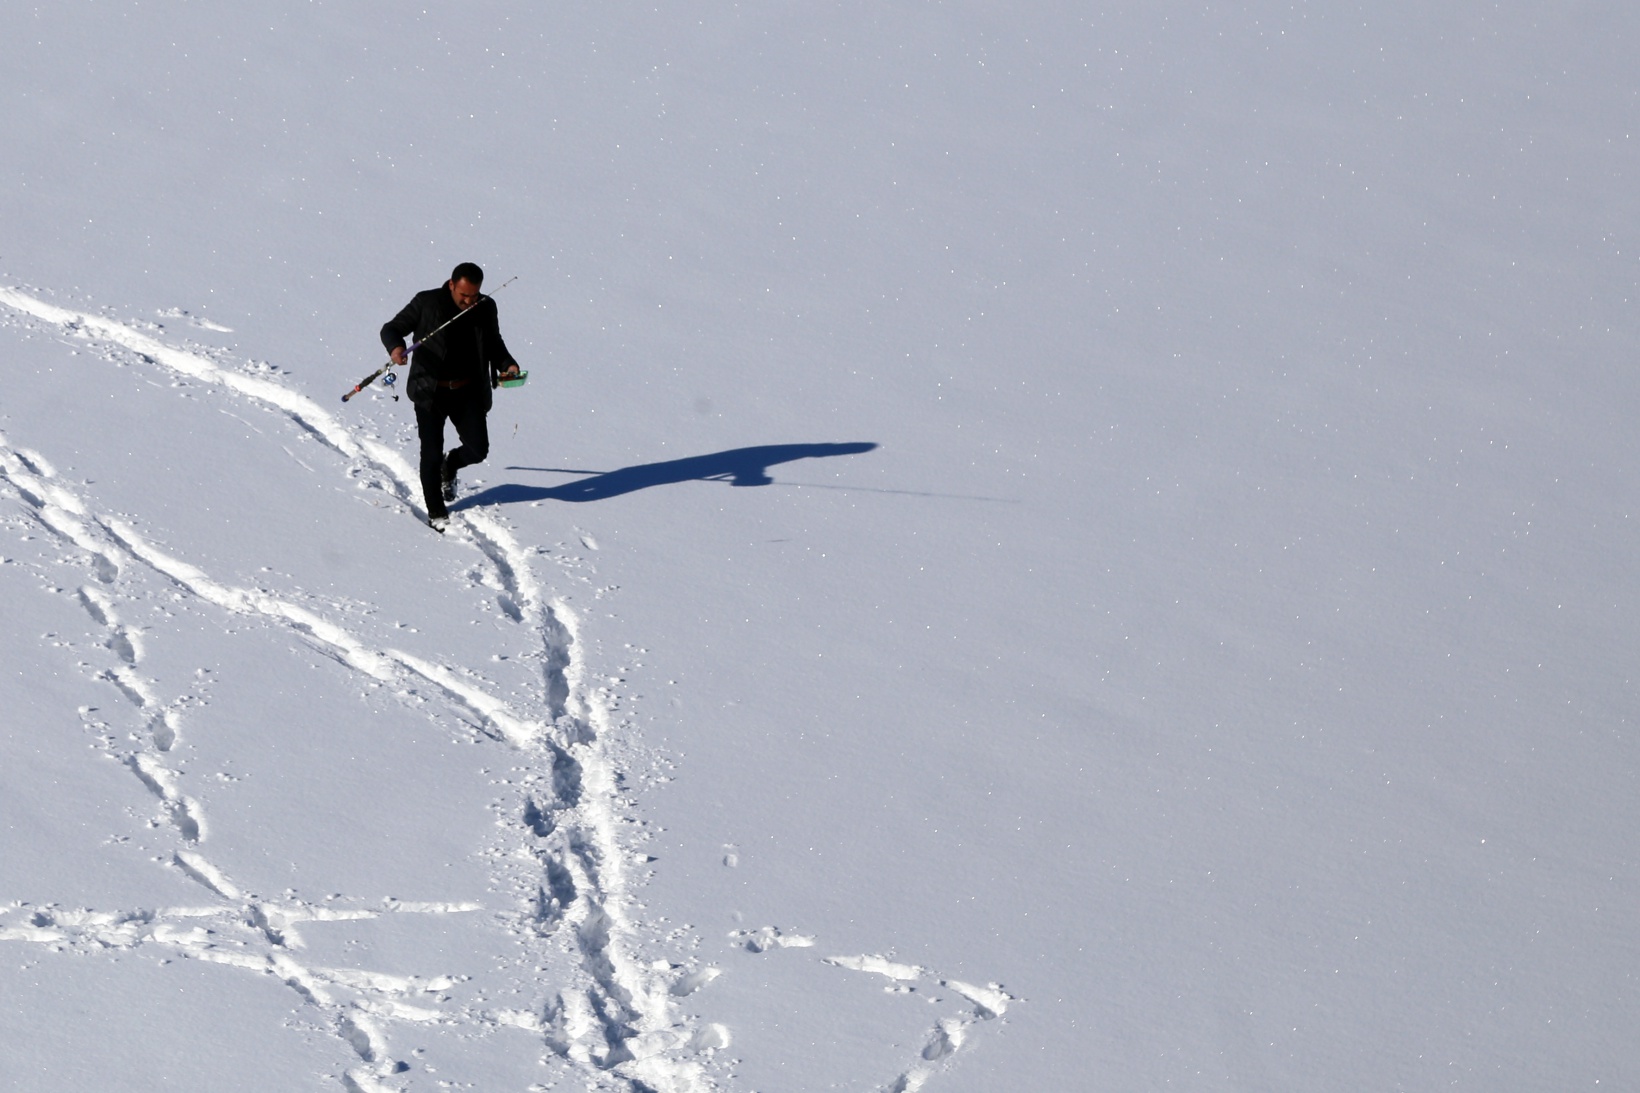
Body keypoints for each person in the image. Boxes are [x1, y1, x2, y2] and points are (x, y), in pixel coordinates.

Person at [380, 262, 521, 530]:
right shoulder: (427, 302)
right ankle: (436, 512)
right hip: (430, 391)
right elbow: (391, 328)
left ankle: (451, 464)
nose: (469, 301)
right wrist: (396, 348)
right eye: (463, 295)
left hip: (467, 390)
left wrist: (507, 365)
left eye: (474, 295)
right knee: (430, 453)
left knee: (478, 450)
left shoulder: (486, 308)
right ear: (451, 284)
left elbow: (494, 343)